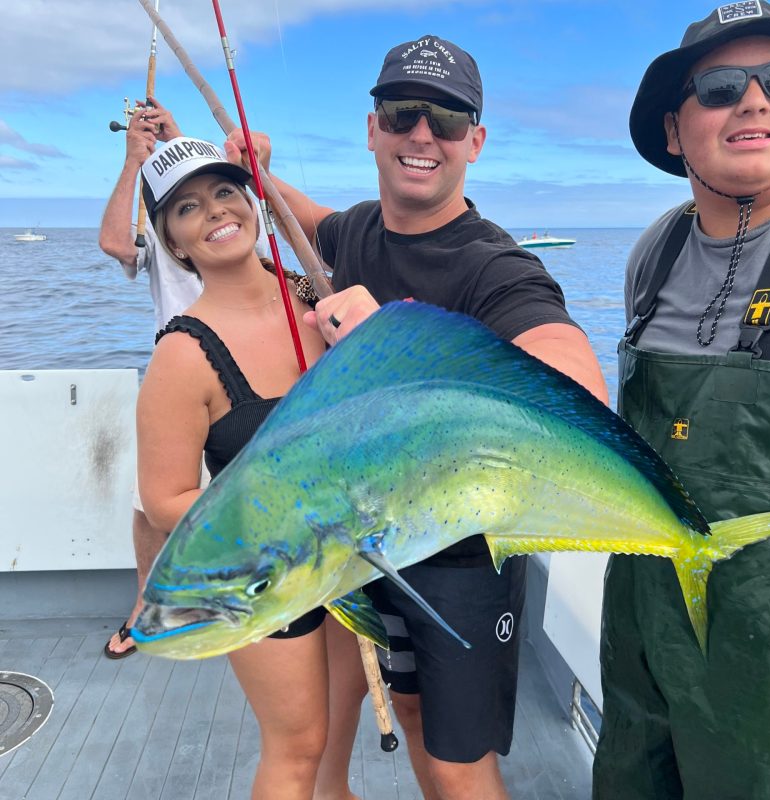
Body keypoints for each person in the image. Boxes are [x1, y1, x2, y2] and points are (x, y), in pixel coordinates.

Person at [228, 34, 607, 800]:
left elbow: (580, 391)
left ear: (477, 139)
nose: (422, 133)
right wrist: (255, 172)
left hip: (462, 564)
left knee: (455, 763)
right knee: (407, 707)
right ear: (373, 128)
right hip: (372, 546)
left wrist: (400, 346)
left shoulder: (496, 266)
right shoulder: (359, 231)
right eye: (403, 112)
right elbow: (310, 222)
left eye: (447, 115)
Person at [593, 4, 770, 798]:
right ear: (675, 131)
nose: (752, 101)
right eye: (718, 88)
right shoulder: (656, 249)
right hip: (645, 629)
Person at [137, 136, 330, 799]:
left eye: (225, 191)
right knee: (296, 747)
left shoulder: (316, 294)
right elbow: (164, 498)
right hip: (262, 576)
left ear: (251, 202)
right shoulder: (182, 355)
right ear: (173, 241)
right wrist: (275, 514)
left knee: (338, 735)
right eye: (187, 208)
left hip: (348, 555)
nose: (215, 212)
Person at [98, 97, 202, 658]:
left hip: (246, 383)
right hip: (175, 380)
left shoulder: (245, 226)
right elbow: (116, 243)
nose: (208, 213)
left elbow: (210, 183)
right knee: (151, 501)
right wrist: (135, 159)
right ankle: (146, 603)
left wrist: (177, 134)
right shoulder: (163, 235)